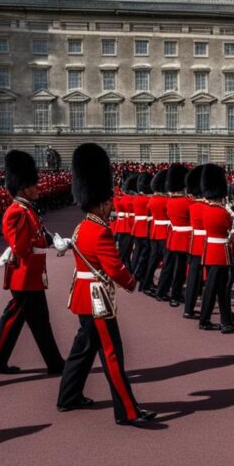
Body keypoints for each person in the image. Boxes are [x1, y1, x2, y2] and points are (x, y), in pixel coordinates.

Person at [57, 143, 155, 427]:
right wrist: (132, 281)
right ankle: (127, 411)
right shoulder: (100, 231)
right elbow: (114, 268)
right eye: (109, 200)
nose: (112, 204)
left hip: (82, 297)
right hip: (97, 300)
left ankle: (68, 396)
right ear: (100, 201)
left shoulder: (81, 226)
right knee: (112, 353)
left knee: (84, 347)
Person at [0, 150, 66, 376]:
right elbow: (20, 247)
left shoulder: (27, 209)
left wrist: (50, 239)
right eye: (33, 185)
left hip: (30, 274)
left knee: (15, 318)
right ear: (23, 187)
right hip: (25, 275)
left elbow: (36, 236)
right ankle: (55, 364)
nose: (37, 188)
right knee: (40, 322)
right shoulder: (17, 212)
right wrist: (43, 241)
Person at [197, 163, 234, 333]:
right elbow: (230, 230)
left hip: (209, 251)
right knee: (221, 289)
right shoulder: (222, 212)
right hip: (221, 253)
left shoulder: (204, 210)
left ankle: (222, 319)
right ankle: (219, 320)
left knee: (213, 288)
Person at [154, 164, 190, 305]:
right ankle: (175, 294)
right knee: (179, 268)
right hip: (183, 238)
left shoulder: (169, 202)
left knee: (168, 266)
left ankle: (161, 291)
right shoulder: (187, 202)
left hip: (172, 236)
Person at [182, 165, 207, 319]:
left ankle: (188, 308)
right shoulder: (205, 207)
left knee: (193, 276)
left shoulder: (192, 205)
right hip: (205, 244)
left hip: (193, 243)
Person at [140, 168, 170, 295]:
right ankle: (162, 288)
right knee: (167, 262)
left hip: (154, 231)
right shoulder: (166, 200)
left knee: (153, 260)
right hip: (164, 232)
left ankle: (145, 284)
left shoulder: (152, 200)